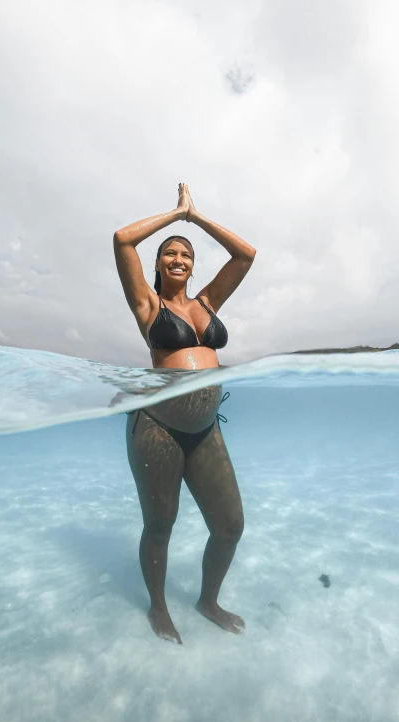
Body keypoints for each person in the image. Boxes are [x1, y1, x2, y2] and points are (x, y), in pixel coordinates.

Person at [114, 184, 256, 644]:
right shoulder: (147, 305)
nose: (179, 259)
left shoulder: (206, 303)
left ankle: (207, 600)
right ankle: (157, 606)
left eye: (187, 256)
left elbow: (246, 255)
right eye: (170, 254)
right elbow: (122, 240)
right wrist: (175, 214)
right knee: (160, 526)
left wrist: (197, 219)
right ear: (157, 264)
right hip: (158, 428)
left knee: (230, 526)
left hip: (205, 431)